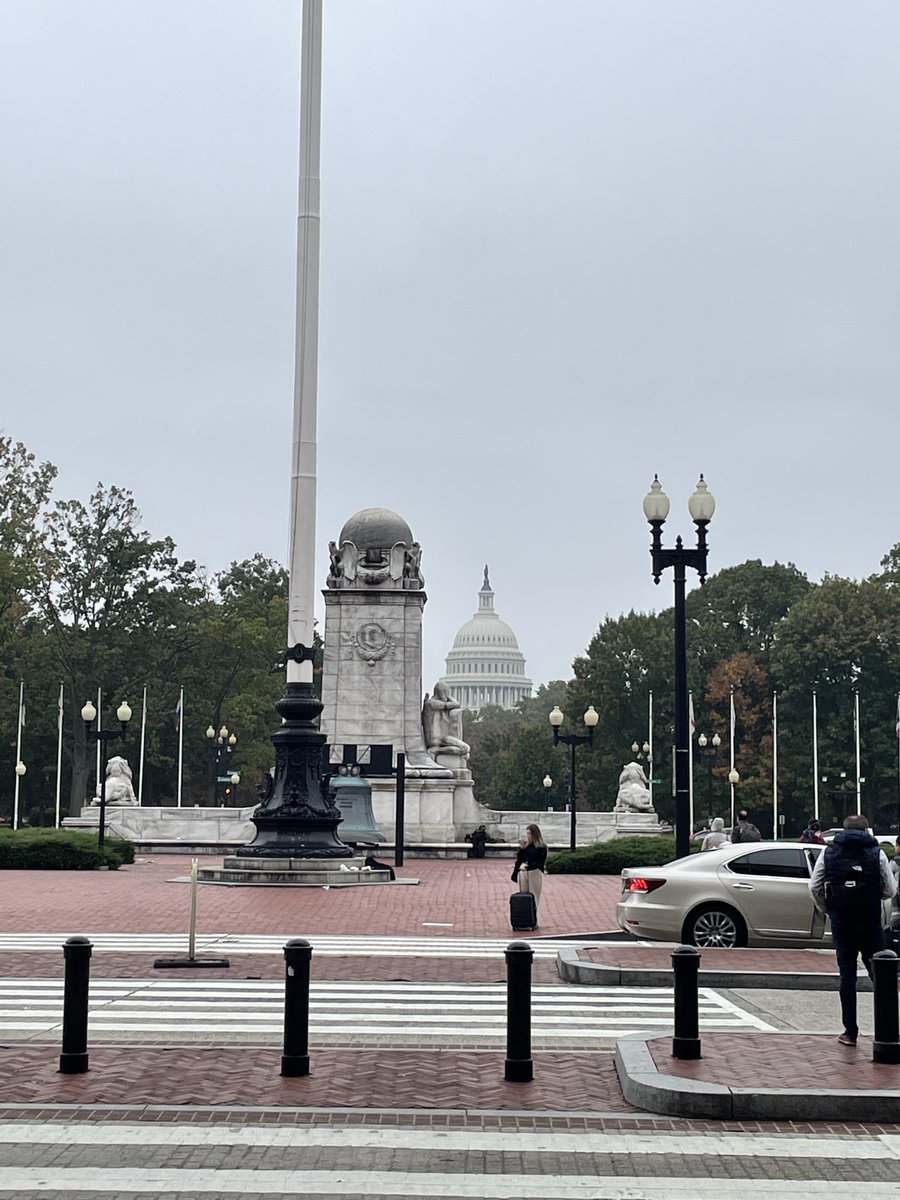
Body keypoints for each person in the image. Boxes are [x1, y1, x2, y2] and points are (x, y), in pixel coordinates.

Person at [809, 814, 896, 1046]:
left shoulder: (829, 853)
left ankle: (850, 1032)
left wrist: (828, 907)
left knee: (847, 975)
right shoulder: (877, 853)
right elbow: (890, 888)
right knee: (879, 973)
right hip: (869, 919)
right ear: (867, 830)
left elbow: (814, 886)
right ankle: (887, 1029)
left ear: (842, 831)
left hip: (842, 919)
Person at [511, 824, 548, 918]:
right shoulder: (526, 847)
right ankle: (525, 917)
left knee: (534, 895)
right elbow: (519, 860)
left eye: (530, 833)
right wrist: (515, 873)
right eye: (527, 833)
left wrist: (528, 867)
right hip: (523, 872)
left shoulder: (541, 847)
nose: (528, 836)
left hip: (534, 872)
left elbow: (539, 862)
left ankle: (534, 918)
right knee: (523, 896)